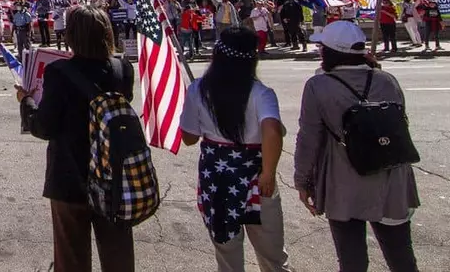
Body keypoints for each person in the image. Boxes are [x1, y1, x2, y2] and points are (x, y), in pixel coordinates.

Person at [16, 6, 136, 272]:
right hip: (114, 174)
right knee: (119, 256)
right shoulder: (122, 68)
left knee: (71, 258)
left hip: (70, 176)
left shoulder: (59, 72)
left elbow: (44, 127)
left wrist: (26, 102)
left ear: (70, 35)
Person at [294, 20, 421, 272]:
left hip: (343, 183)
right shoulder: (387, 80)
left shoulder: (318, 86)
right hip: (390, 178)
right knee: (402, 259)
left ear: (329, 52)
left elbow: (309, 139)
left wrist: (302, 182)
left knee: (352, 262)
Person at [179, 27, 291, 272]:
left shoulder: (199, 89)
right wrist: (269, 173)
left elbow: (189, 138)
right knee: (271, 253)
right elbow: (271, 130)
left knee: (228, 254)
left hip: (218, 179)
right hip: (257, 178)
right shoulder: (261, 93)